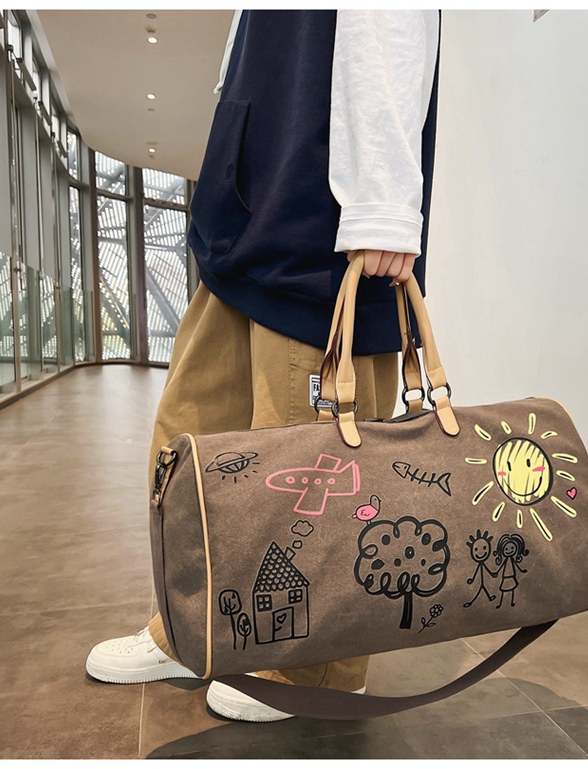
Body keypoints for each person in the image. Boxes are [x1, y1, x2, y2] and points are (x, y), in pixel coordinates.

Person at [86, 9, 441, 722]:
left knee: (312, 476)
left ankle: (314, 667)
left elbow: (392, 23)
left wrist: (386, 202)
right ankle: (193, 630)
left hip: (322, 226)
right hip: (249, 218)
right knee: (191, 440)